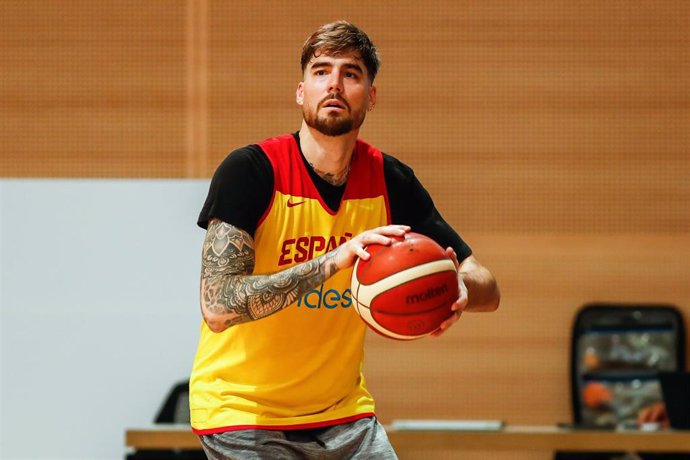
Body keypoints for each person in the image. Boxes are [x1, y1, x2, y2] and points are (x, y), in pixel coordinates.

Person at [189, 20, 501, 460]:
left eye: (350, 73)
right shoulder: (251, 171)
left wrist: (461, 289)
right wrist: (333, 260)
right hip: (243, 412)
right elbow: (218, 306)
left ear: (370, 96)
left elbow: (487, 283)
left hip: (343, 414)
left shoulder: (391, 181)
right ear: (301, 92)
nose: (334, 83)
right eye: (321, 71)